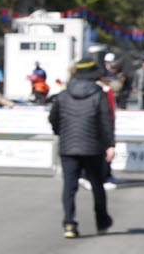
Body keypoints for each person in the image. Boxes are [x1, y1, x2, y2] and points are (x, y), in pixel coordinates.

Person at [49, 57, 115, 238]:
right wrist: (110, 144)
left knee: (69, 187)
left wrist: (60, 131)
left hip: (68, 146)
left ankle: (69, 224)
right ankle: (101, 223)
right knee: (97, 186)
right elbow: (105, 122)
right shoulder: (99, 94)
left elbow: (53, 118)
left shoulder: (63, 94)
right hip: (93, 147)